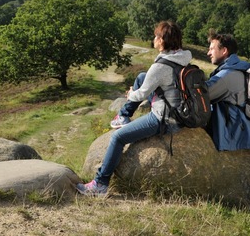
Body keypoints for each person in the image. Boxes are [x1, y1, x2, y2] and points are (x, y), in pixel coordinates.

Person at [77, 20, 192, 196]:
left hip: (164, 118)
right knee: (141, 76)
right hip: (179, 112)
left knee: (118, 137)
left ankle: (100, 184)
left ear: (162, 40)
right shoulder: (184, 57)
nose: (153, 39)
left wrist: (131, 93)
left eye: (156, 36)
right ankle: (123, 116)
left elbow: (141, 95)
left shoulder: (160, 66)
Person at [205, 31, 250, 151]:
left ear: (224, 50)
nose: (208, 53)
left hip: (241, 139)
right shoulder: (243, 68)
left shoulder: (227, 75)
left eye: (211, 49)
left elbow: (202, 96)